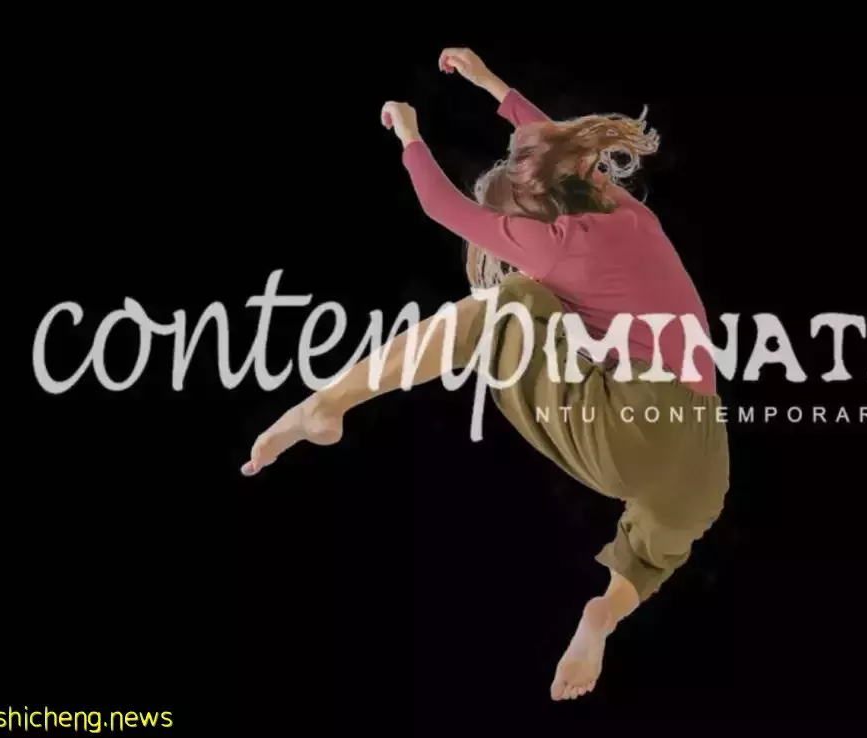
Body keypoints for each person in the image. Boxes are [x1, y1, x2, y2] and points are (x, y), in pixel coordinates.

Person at [240, 48, 730, 701]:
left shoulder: (554, 245)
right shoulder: (623, 209)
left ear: (530, 220)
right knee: (651, 555)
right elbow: (549, 141)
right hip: (704, 450)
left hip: (632, 428)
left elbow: (441, 206)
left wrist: (410, 136)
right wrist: (490, 84)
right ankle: (601, 616)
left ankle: (325, 405)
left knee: (509, 305)